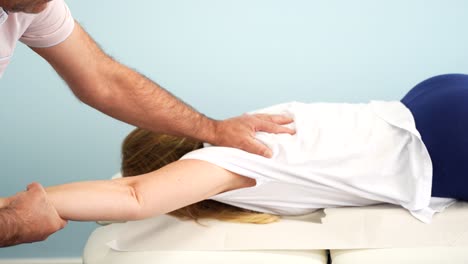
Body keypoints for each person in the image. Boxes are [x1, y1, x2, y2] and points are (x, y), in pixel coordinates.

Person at [0, 0, 294, 247]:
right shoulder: (261, 143)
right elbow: (133, 195)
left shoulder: (32, 6)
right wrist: (10, 223)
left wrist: (213, 129)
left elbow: (105, 81)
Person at [2, 74, 465, 229]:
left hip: (437, 144)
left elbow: (134, 197)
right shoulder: (243, 128)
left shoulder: (224, 161)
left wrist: (14, 208)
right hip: (427, 101)